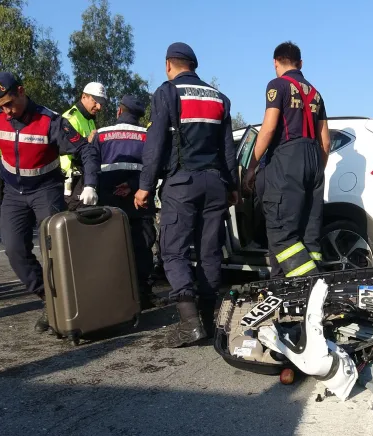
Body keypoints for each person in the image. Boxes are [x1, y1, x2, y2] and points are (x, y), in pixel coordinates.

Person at [0, 72, 100, 332]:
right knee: (14, 249)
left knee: (55, 252)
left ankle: (69, 306)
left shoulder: (50, 121)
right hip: (13, 194)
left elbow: (86, 150)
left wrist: (91, 184)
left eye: (9, 104)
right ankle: (49, 300)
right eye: (1, 106)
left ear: (22, 91)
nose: (7, 111)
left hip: (46, 190)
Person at [134, 42, 239, 348]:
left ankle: (190, 323)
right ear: (194, 66)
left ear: (169, 65)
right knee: (210, 253)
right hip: (216, 184)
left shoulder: (167, 92)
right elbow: (228, 150)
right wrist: (233, 187)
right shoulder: (219, 98)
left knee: (173, 251)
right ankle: (208, 319)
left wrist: (145, 185)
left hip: (182, 183)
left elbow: (155, 145)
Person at [243, 41, 330, 278]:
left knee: (281, 233)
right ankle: (288, 291)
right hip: (315, 160)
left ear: (275, 63)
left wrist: (251, 167)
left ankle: (315, 285)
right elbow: (325, 142)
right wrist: (316, 171)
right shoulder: (316, 94)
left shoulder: (277, 85)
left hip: (287, 161)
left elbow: (269, 128)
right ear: (300, 63)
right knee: (308, 237)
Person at [90, 94, 156, 310]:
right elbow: (154, 168)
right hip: (139, 201)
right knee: (142, 247)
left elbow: (91, 165)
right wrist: (132, 184)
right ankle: (144, 295)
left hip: (108, 202)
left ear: (119, 111)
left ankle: (115, 295)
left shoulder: (101, 135)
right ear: (139, 116)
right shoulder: (147, 137)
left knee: (110, 248)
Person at [60, 82, 106, 210]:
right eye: (95, 101)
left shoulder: (89, 119)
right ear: (84, 97)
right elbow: (68, 147)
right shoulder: (70, 118)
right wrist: (88, 141)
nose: (99, 107)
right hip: (71, 182)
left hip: (84, 179)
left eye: (101, 103)